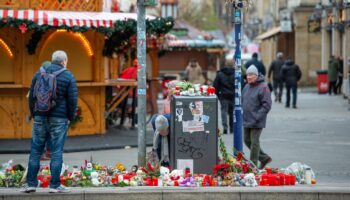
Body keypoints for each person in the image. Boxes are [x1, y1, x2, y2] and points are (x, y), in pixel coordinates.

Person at [22, 50, 78, 193]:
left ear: (52, 60)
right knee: (56, 152)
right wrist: (70, 117)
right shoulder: (68, 75)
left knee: (35, 151)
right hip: (59, 119)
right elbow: (72, 100)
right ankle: (54, 185)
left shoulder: (39, 73)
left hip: (40, 117)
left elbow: (31, 97)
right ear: (64, 61)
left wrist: (35, 114)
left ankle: (31, 184)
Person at [242, 65, 272, 169]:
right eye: (247, 75)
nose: (249, 77)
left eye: (251, 75)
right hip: (247, 119)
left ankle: (253, 165)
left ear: (256, 75)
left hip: (257, 119)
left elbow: (267, 105)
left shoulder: (263, 87)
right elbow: (244, 101)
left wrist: (257, 115)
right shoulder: (246, 86)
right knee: (246, 140)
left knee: (254, 142)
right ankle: (264, 158)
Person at [213, 63, 235, 134]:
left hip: (223, 95)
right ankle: (232, 128)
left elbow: (215, 85)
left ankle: (225, 127)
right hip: (232, 95)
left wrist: (217, 95)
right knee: (231, 112)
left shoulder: (220, 74)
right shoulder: (234, 74)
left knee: (224, 111)